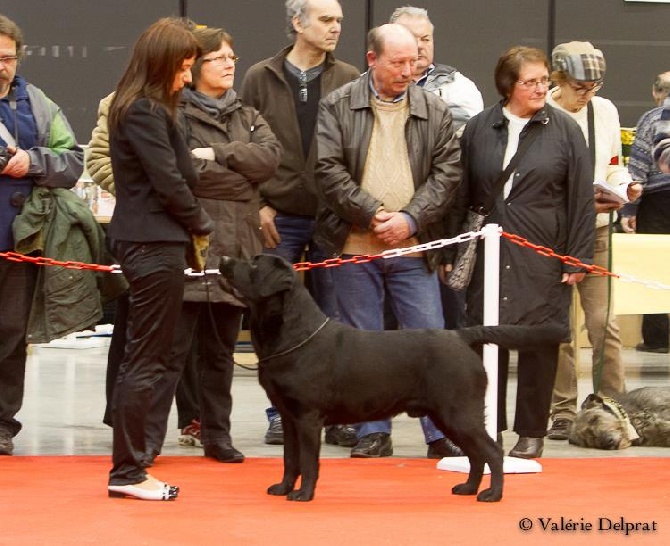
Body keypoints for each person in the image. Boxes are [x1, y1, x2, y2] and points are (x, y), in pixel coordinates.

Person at [314, 23, 462, 458]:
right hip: (353, 245)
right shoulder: (337, 106)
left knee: (429, 339)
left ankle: (440, 433)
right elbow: (326, 169)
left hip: (413, 245)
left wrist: (411, 219)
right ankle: (371, 433)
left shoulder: (435, 110)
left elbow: (448, 173)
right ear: (372, 59)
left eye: (414, 61)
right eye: (398, 62)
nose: (409, 70)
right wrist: (371, 213)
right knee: (362, 344)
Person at [446, 46, 595, 459]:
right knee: (481, 336)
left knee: (539, 340)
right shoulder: (479, 128)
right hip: (487, 250)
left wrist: (577, 255)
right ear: (508, 85)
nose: (540, 88)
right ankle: (486, 427)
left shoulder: (565, 130)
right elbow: (462, 192)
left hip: (543, 250)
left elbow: (581, 198)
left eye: (544, 80)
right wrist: (451, 247)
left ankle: (532, 432)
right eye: (531, 82)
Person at [146, 25, 281, 463]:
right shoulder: (173, 112)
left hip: (237, 248)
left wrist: (219, 156)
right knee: (170, 354)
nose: (229, 64)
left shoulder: (247, 113)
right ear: (195, 65)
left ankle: (217, 436)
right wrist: (238, 178)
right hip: (189, 244)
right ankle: (147, 439)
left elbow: (269, 161)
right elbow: (182, 173)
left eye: (232, 57)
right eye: (219, 57)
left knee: (221, 354)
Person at [239, 0, 360, 447]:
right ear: (297, 23)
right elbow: (240, 147)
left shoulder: (350, 78)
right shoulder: (258, 77)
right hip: (276, 215)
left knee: (336, 319)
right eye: (326, 20)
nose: (335, 29)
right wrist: (257, 204)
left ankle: (337, 411)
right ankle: (279, 411)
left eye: (339, 22)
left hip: (333, 216)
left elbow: (357, 149)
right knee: (272, 316)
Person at [106, 17, 212, 501]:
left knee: (143, 357)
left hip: (149, 242)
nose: (188, 78)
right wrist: (201, 223)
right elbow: (171, 180)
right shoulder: (146, 112)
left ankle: (129, 469)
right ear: (162, 64)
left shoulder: (145, 108)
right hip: (153, 243)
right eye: (184, 68)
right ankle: (128, 472)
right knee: (144, 359)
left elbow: (176, 174)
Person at [87, 93, 203, 448]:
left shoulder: (219, 105)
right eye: (185, 64)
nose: (188, 74)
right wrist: (136, 192)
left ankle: (193, 417)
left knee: (190, 338)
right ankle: (132, 440)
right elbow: (99, 157)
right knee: (141, 343)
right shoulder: (125, 104)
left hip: (187, 230)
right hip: (147, 231)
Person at [544, 41, 642, 441]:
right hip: (552, 237)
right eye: (580, 87)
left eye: (594, 86)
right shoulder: (543, 113)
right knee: (560, 329)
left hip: (598, 229)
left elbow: (614, 165)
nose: (587, 94)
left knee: (604, 324)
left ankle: (615, 407)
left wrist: (625, 187)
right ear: (558, 79)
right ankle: (563, 411)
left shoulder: (605, 111)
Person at [0, 14, 84, 455]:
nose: (1, 66)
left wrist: (30, 163)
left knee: (11, 337)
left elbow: (71, 163)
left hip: (20, 242)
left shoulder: (38, 103)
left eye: (8, 57)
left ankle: (1, 425)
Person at [390, 5, 483, 337]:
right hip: (386, 218)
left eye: (426, 38)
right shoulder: (367, 85)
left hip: (444, 220)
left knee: (446, 320)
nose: (420, 47)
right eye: (412, 39)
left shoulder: (459, 85)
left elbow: (465, 135)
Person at [624, 72, 670, 353]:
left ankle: (658, 338)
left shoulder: (652, 118)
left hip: (658, 202)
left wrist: (629, 209)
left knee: (653, 269)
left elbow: (638, 166)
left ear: (656, 93)